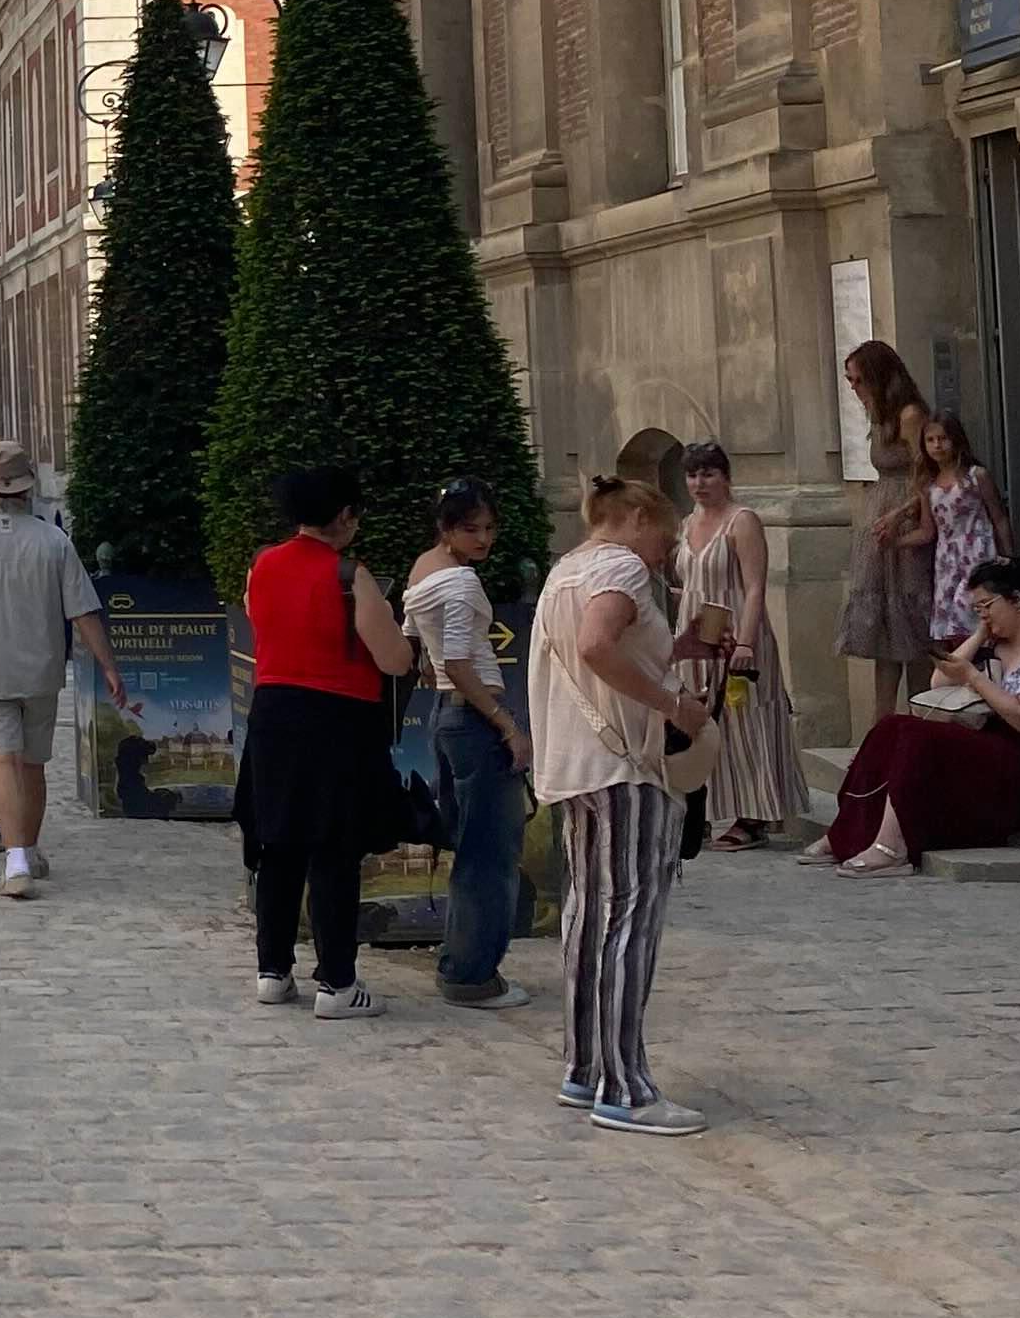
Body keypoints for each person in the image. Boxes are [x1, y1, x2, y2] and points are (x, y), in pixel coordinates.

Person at [530, 470, 709, 1136]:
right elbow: (596, 645)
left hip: (576, 765)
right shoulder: (622, 568)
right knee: (629, 918)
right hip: (622, 766)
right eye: (665, 536)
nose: (666, 552)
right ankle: (625, 1086)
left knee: (587, 912)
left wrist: (675, 649)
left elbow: (599, 650)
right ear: (637, 519)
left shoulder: (564, 571)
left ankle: (584, 1066)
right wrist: (674, 705)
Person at [0, 443, 132, 895]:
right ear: (27, 486)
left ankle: (15, 859)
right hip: (39, 667)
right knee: (33, 763)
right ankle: (29, 848)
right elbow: (84, 611)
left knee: (1, 760)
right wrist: (109, 666)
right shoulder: (53, 541)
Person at [243, 466, 411, 1018]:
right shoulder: (349, 575)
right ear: (344, 516)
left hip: (273, 713)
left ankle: (273, 969)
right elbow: (393, 658)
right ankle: (337, 982)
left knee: (278, 844)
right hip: (337, 718)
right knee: (334, 848)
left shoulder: (262, 565)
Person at [809, 553, 1020, 869]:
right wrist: (979, 635)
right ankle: (845, 833)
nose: (983, 615)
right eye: (977, 610)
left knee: (920, 737)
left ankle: (892, 845)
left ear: (1017, 600)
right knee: (893, 727)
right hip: (995, 743)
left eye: (987, 606)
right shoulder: (996, 645)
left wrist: (974, 678)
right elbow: (939, 682)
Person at [404, 480, 535, 1004]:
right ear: (446, 528)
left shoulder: (423, 569)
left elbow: (416, 642)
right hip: (474, 717)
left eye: (489, 528)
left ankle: (462, 962)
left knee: (471, 846)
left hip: (447, 715)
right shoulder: (459, 583)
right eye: (470, 528)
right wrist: (507, 725)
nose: (483, 539)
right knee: (491, 852)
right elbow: (458, 663)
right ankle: (472, 974)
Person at [679, 442, 806, 847]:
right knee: (699, 719)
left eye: (708, 474)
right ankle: (699, 810)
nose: (700, 483)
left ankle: (753, 816)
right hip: (697, 636)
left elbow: (754, 587)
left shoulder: (742, 521)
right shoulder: (686, 523)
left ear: (725, 477)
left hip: (738, 631)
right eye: (693, 475)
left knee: (745, 721)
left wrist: (746, 642)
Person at [837, 339, 934, 723]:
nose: (854, 388)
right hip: (880, 522)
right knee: (885, 634)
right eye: (850, 380)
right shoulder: (878, 416)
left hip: (907, 518)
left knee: (914, 623)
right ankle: (882, 727)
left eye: (859, 379)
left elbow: (926, 473)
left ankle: (921, 721)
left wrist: (901, 513)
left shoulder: (910, 415)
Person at [920, 410, 1010, 652]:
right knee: (952, 627)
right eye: (930, 440)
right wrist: (895, 541)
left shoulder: (976, 476)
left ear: (956, 439)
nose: (937, 445)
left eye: (943, 438)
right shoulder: (928, 487)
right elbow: (927, 531)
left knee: (979, 613)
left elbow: (999, 518)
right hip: (947, 564)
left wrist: (1008, 557)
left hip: (977, 554)